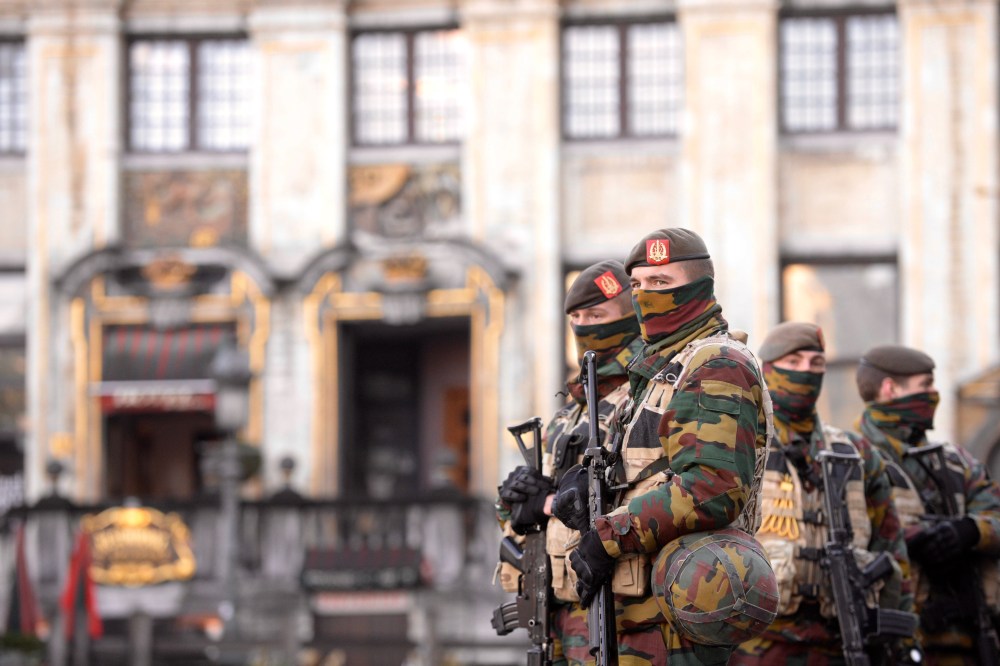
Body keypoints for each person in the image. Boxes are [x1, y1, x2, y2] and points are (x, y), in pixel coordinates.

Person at [552, 228, 776, 665]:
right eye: (637, 285)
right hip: (637, 611)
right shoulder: (659, 370)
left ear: (699, 288)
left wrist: (608, 537)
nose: (645, 296)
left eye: (662, 284)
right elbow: (649, 471)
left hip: (678, 616)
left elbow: (712, 488)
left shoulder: (717, 364)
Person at [732, 322, 913, 664]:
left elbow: (891, 545)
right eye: (794, 362)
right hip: (755, 643)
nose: (806, 373)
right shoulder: (741, 446)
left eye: (816, 364)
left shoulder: (855, 452)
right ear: (768, 369)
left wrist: (901, 637)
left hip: (840, 640)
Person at [496, 260, 643, 666]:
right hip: (559, 609)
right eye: (576, 318)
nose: (584, 326)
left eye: (597, 315)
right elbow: (527, 513)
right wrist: (513, 504)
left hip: (622, 611)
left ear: (631, 316)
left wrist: (546, 503)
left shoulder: (646, 400)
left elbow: (648, 497)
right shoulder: (568, 415)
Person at [856, 344, 1000, 665]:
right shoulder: (850, 458)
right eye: (926, 385)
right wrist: (907, 540)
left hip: (966, 636)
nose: (934, 393)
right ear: (890, 389)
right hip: (893, 637)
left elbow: (995, 513)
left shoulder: (954, 462)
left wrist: (970, 531)